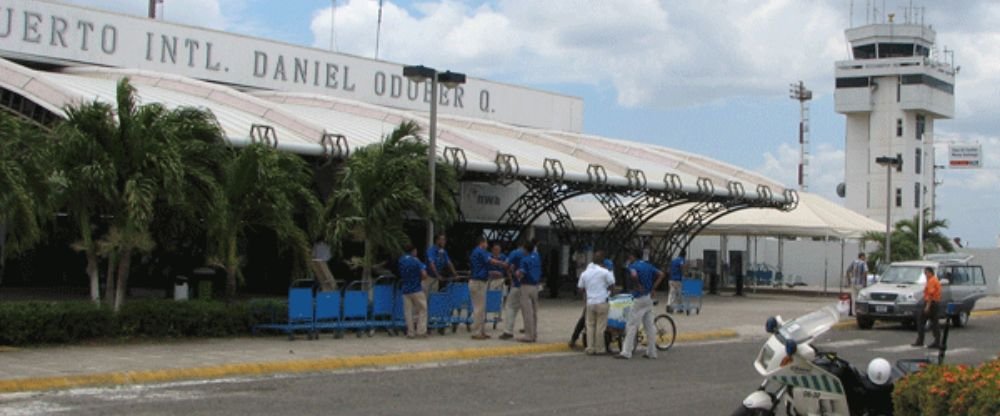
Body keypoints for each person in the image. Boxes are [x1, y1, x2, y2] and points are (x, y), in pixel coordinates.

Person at [616, 251, 665, 360]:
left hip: (638, 298)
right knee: (649, 326)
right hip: (648, 298)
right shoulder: (648, 265)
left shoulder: (633, 266)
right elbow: (661, 274)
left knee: (632, 325)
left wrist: (638, 285)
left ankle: (626, 352)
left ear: (632, 256)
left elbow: (633, 275)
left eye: (629, 257)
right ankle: (652, 352)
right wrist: (653, 288)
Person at [570, 256, 614, 349]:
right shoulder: (603, 271)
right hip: (600, 300)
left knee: (588, 322)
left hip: (591, 300)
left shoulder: (589, 271)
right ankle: (598, 347)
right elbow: (611, 285)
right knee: (597, 325)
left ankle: (587, 345)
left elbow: (581, 288)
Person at [469, 237, 504, 340]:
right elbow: (491, 261)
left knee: (481, 308)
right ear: (482, 243)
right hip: (478, 282)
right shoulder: (480, 251)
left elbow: (483, 267)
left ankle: (481, 331)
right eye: (486, 243)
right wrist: (502, 263)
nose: (487, 245)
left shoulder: (476, 252)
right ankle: (477, 332)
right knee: (479, 308)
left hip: (479, 281)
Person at [398, 243, 429, 338]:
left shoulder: (401, 260)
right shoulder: (416, 261)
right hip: (416, 289)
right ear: (413, 251)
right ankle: (421, 331)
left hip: (405, 289)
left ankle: (410, 332)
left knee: (408, 312)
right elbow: (424, 274)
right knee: (423, 309)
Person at [499, 241, 527, 340]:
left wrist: (510, 272)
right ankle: (528, 329)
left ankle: (508, 331)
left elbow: (506, 264)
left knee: (510, 307)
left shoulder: (515, 253)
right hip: (529, 286)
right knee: (526, 308)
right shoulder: (533, 254)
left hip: (517, 285)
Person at [516, 240, 542, 342]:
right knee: (534, 312)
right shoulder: (536, 257)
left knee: (527, 312)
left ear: (525, 249)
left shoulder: (524, 260)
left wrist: (516, 274)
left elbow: (521, 273)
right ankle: (534, 334)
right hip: (535, 286)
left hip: (526, 285)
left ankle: (528, 335)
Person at [912, 267, 942, 348]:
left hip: (931, 303)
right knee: (934, 322)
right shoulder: (934, 280)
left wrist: (927, 306)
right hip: (935, 303)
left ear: (930, 273)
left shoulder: (932, 281)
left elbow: (930, 294)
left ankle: (921, 340)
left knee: (921, 321)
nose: (925, 275)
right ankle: (937, 341)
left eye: (926, 273)